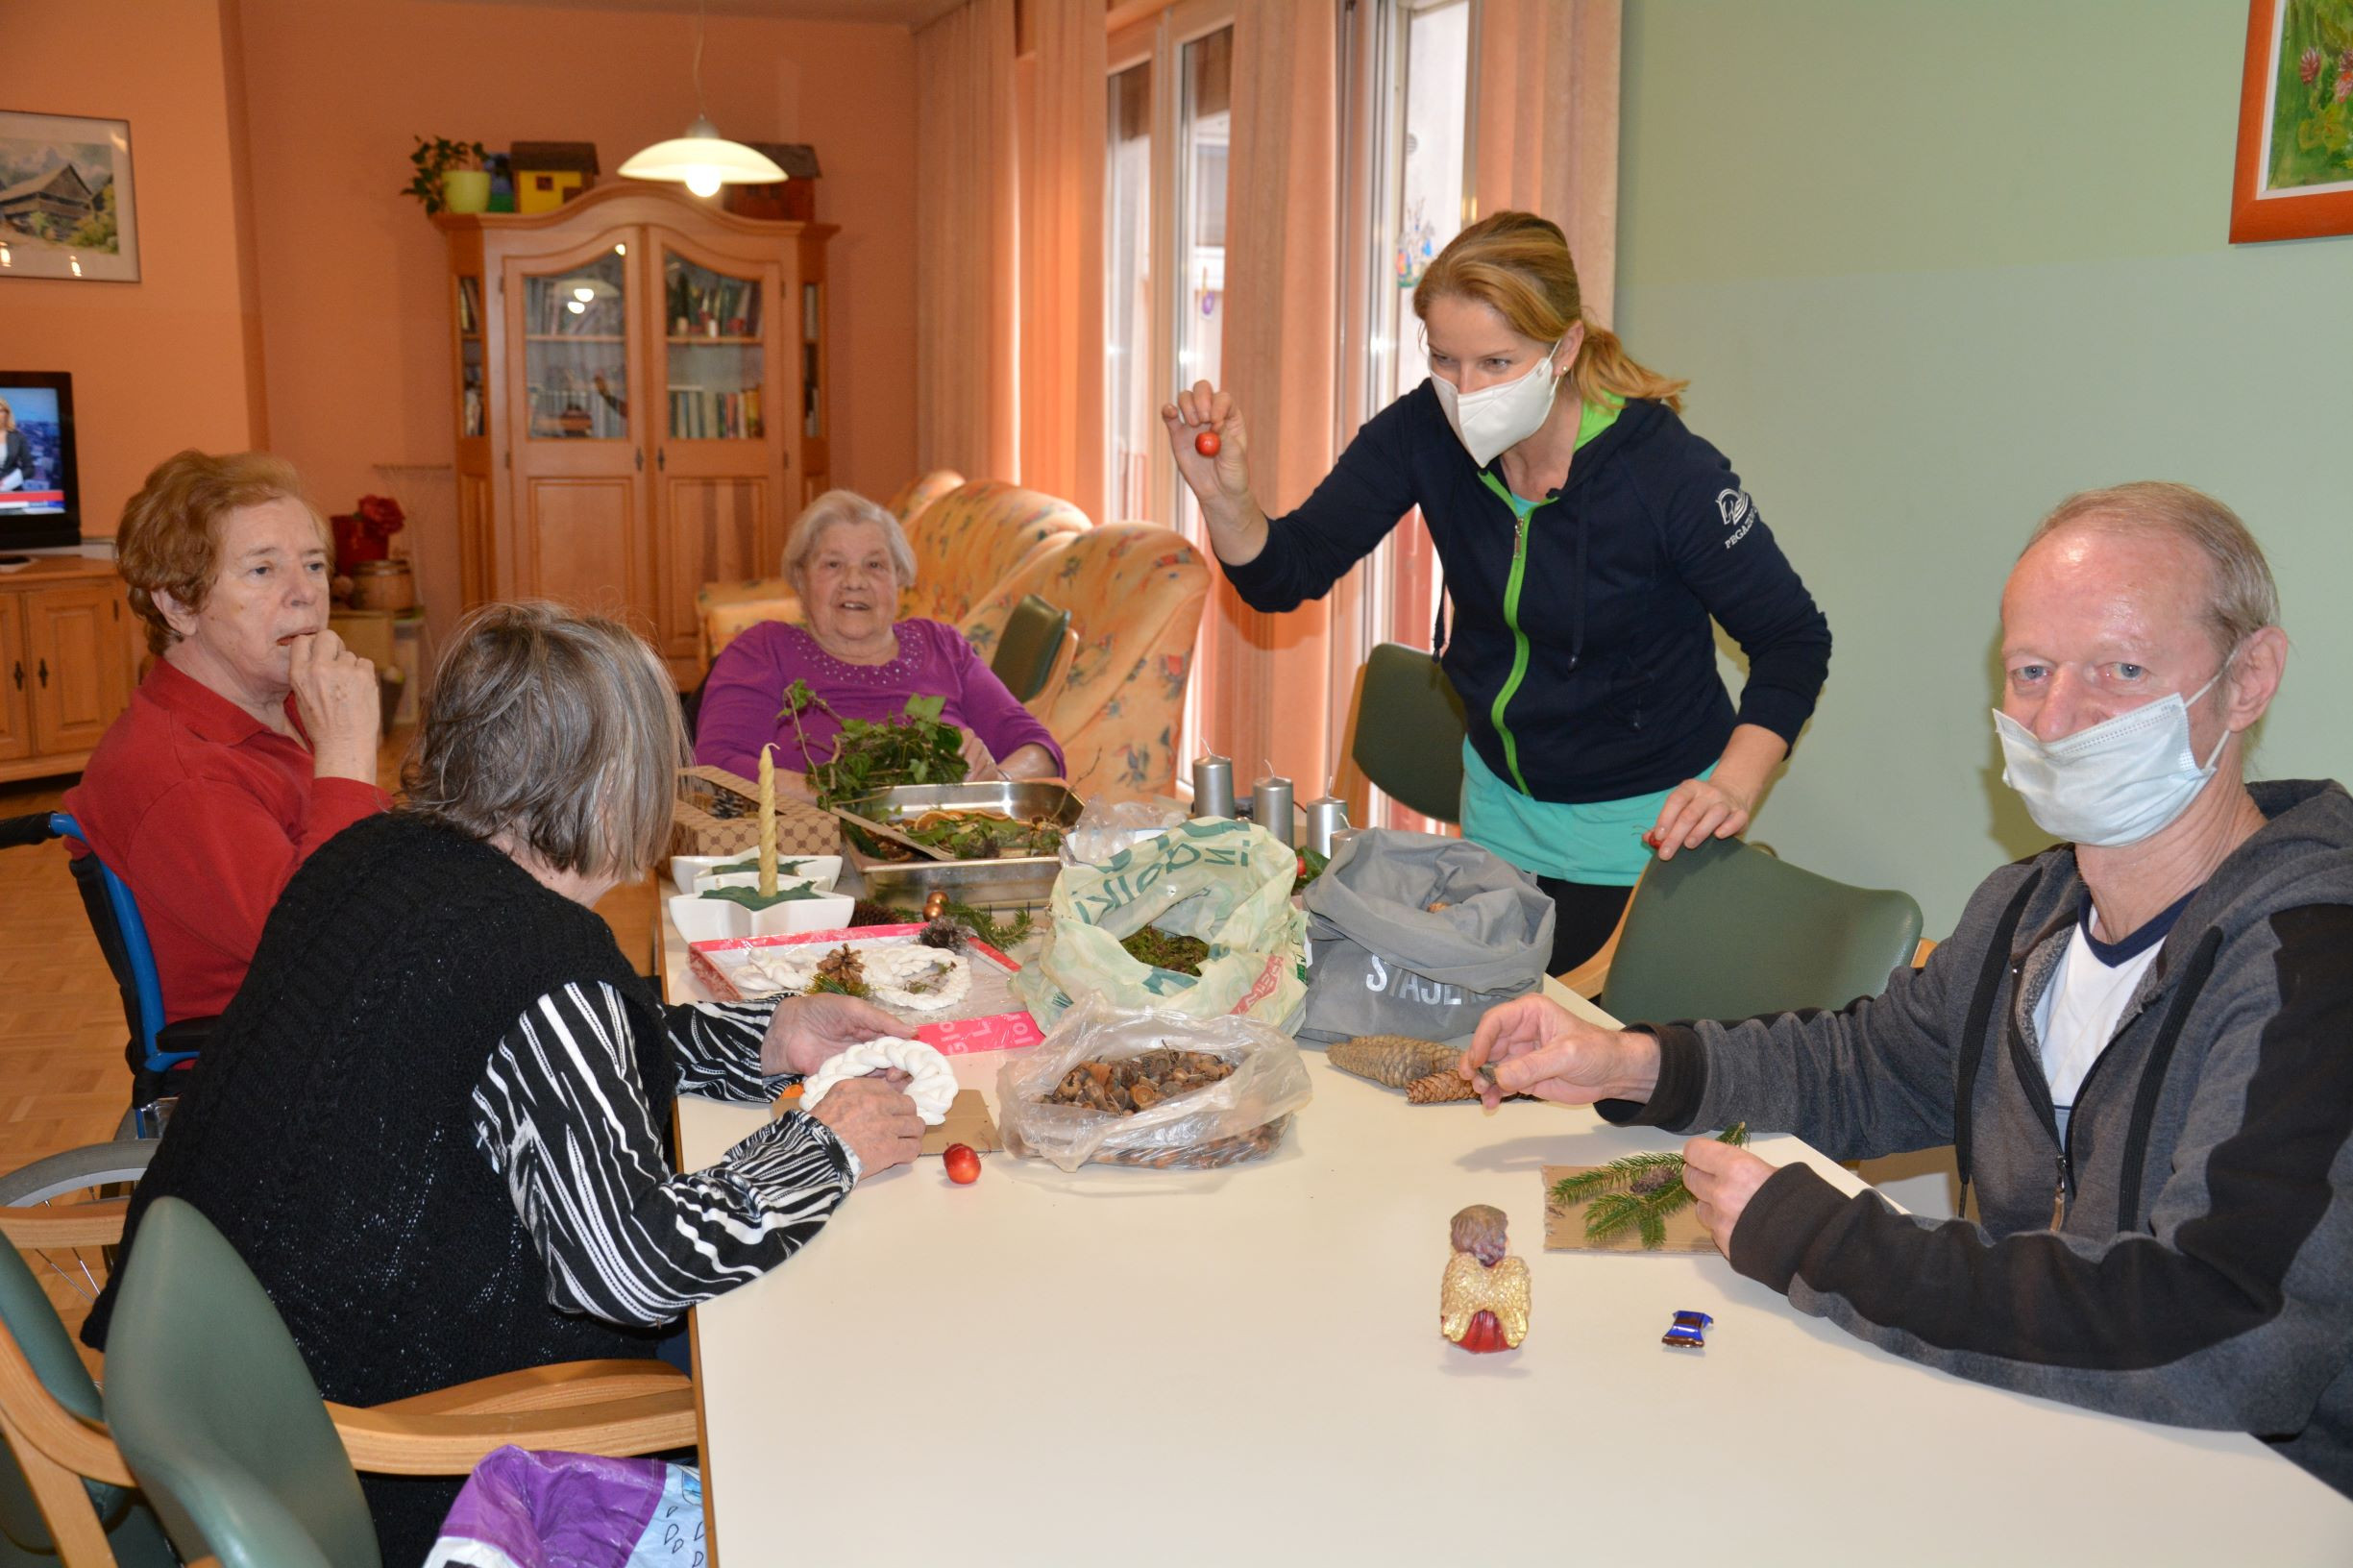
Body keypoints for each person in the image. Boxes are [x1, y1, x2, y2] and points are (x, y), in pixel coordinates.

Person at [1462, 483, 2353, 1496]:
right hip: (2054, 1426)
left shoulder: (2312, 963)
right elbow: (1872, 1066)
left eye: (2122, 670)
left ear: (2246, 683)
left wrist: (1833, 1241)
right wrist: (1638, 1061)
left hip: (2263, 1495)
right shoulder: (2030, 912)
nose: (2057, 718)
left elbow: (2226, 1333)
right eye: (2029, 671)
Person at [84, 601, 928, 1561]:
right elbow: (632, 1272)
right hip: (392, 1459)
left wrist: (768, 1038)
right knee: (788, 1363)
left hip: (240, 1384)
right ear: (616, 791)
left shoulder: (369, 856)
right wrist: (822, 1147)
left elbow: (515, 1053)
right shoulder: (542, 958)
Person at [1164, 211, 1831, 972]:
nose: (1465, 390)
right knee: (1473, 1043)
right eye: (1445, 360)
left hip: (1641, 839)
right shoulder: (1423, 432)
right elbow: (1290, 572)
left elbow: (1793, 639)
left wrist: (1734, 786)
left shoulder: (1663, 474)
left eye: (1496, 363)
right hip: (1499, 813)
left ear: (1565, 348)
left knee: (1580, 1070)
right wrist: (1225, 500)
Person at [62, 451, 385, 1066]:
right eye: (263, 570)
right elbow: (322, 939)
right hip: (286, 1070)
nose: (305, 595)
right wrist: (346, 753)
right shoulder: (176, 774)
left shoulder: (287, 706)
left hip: (348, 1020)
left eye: (313, 565)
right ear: (179, 606)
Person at [695, 488, 1065, 791]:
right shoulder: (763, 650)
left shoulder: (943, 647)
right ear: (800, 579)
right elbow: (717, 765)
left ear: (899, 579)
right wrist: (840, 795)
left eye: (875, 565)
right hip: (809, 857)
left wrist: (994, 785)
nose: (855, 581)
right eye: (833, 564)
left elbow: (1041, 750)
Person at [0, 396, 28, 491]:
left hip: (11, 490)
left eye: (0, 411)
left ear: (7, 414)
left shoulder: (18, 437)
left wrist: (9, 482)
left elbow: (29, 469)